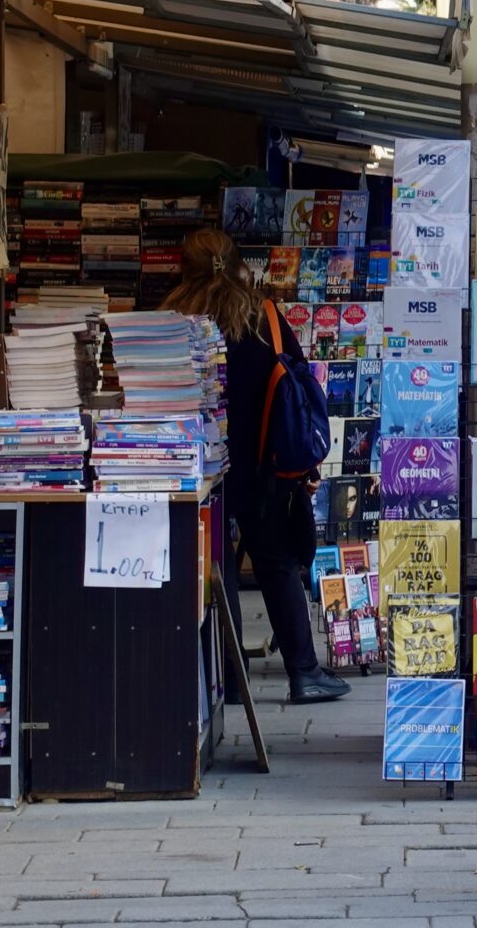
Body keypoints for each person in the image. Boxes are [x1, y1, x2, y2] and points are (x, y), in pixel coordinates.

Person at [163, 227, 351, 705]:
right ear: (239, 264)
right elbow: (298, 383)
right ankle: (304, 673)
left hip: (194, 465)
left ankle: (225, 674)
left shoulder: (171, 319)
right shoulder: (265, 316)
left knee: (209, 567)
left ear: (185, 267)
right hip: (263, 470)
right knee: (276, 563)